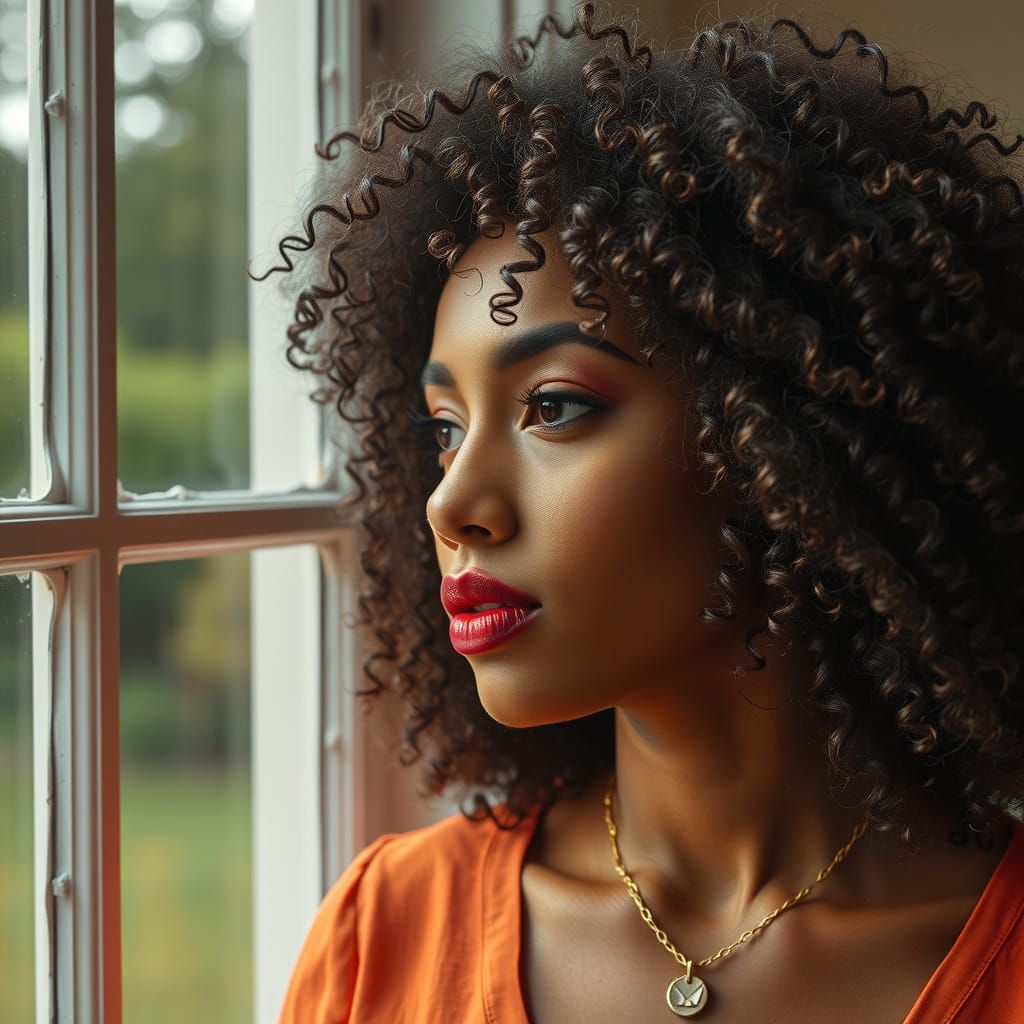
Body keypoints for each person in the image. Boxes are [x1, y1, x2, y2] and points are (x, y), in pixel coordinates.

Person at [260, 2, 1024, 1020]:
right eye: (443, 428)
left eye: (553, 407)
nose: (453, 499)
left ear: (783, 429)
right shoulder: (386, 934)